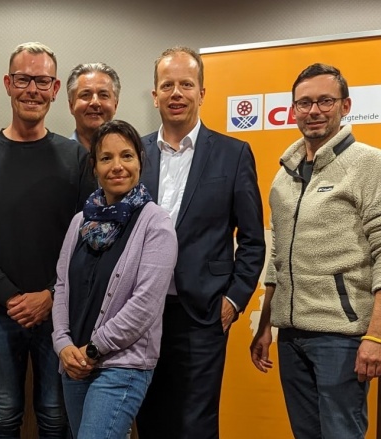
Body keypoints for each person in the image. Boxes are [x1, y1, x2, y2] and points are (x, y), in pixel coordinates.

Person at [250, 63, 381, 439]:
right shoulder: (284, 176)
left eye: (325, 101)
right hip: (291, 336)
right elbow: (278, 257)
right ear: (293, 110)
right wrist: (265, 326)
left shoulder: (371, 164)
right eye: (304, 103)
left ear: (345, 106)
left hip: (341, 338)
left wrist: (378, 335)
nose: (314, 111)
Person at [0, 42, 94, 439]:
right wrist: (11, 297)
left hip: (59, 312)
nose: (32, 89)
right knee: (2, 415)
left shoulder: (76, 159)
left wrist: (49, 294)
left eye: (42, 81)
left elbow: (89, 241)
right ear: (7, 84)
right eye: (23, 79)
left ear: (55, 89)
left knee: (55, 415)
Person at [136, 46, 266, 439]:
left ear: (202, 93)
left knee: (196, 424)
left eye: (186, 84)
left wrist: (234, 300)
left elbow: (253, 240)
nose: (176, 93)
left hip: (203, 312)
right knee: (150, 418)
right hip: (142, 312)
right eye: (167, 85)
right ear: (155, 95)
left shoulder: (233, 154)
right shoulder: (135, 153)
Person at [52, 120, 177, 439]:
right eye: (106, 158)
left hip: (122, 365)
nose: (117, 166)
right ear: (94, 166)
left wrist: (94, 349)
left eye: (126, 156)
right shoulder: (80, 222)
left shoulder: (156, 223)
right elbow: (62, 287)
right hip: (74, 363)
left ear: (140, 162)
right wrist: (63, 344)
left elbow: (145, 306)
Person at [66, 62, 120, 150]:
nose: (95, 102)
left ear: (115, 105)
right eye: (85, 95)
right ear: (71, 105)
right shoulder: (59, 156)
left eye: (103, 95)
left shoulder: (136, 155)